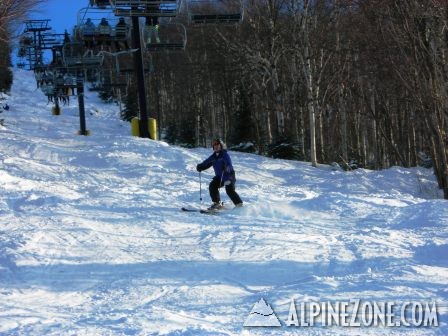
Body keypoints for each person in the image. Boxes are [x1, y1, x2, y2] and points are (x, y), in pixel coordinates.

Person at [196, 138, 243, 210]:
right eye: (214, 145)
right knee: (213, 185)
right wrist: (200, 166)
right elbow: (207, 162)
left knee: (229, 190)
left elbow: (229, 165)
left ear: (221, 146)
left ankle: (239, 204)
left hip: (229, 176)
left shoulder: (224, 154)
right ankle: (217, 204)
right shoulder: (214, 156)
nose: (216, 146)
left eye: (217, 145)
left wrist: (226, 169)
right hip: (219, 177)